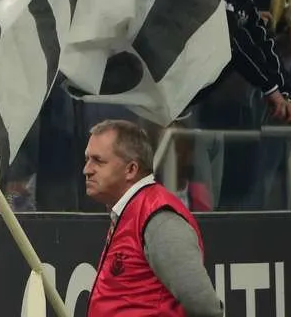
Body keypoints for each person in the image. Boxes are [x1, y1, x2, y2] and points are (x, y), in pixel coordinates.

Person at [84, 119, 224, 316]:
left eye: (98, 161)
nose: (87, 170)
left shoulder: (160, 219)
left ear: (131, 169)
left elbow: (205, 307)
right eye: (87, 160)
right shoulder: (133, 212)